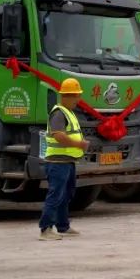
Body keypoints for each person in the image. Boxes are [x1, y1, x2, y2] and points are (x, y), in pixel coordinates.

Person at [39, 77, 89, 241]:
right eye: (75, 96)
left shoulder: (69, 113)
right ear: (66, 96)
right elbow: (59, 136)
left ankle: (63, 226)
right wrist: (79, 144)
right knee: (56, 194)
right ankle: (45, 229)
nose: (78, 99)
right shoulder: (59, 113)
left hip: (68, 162)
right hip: (57, 163)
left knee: (66, 194)